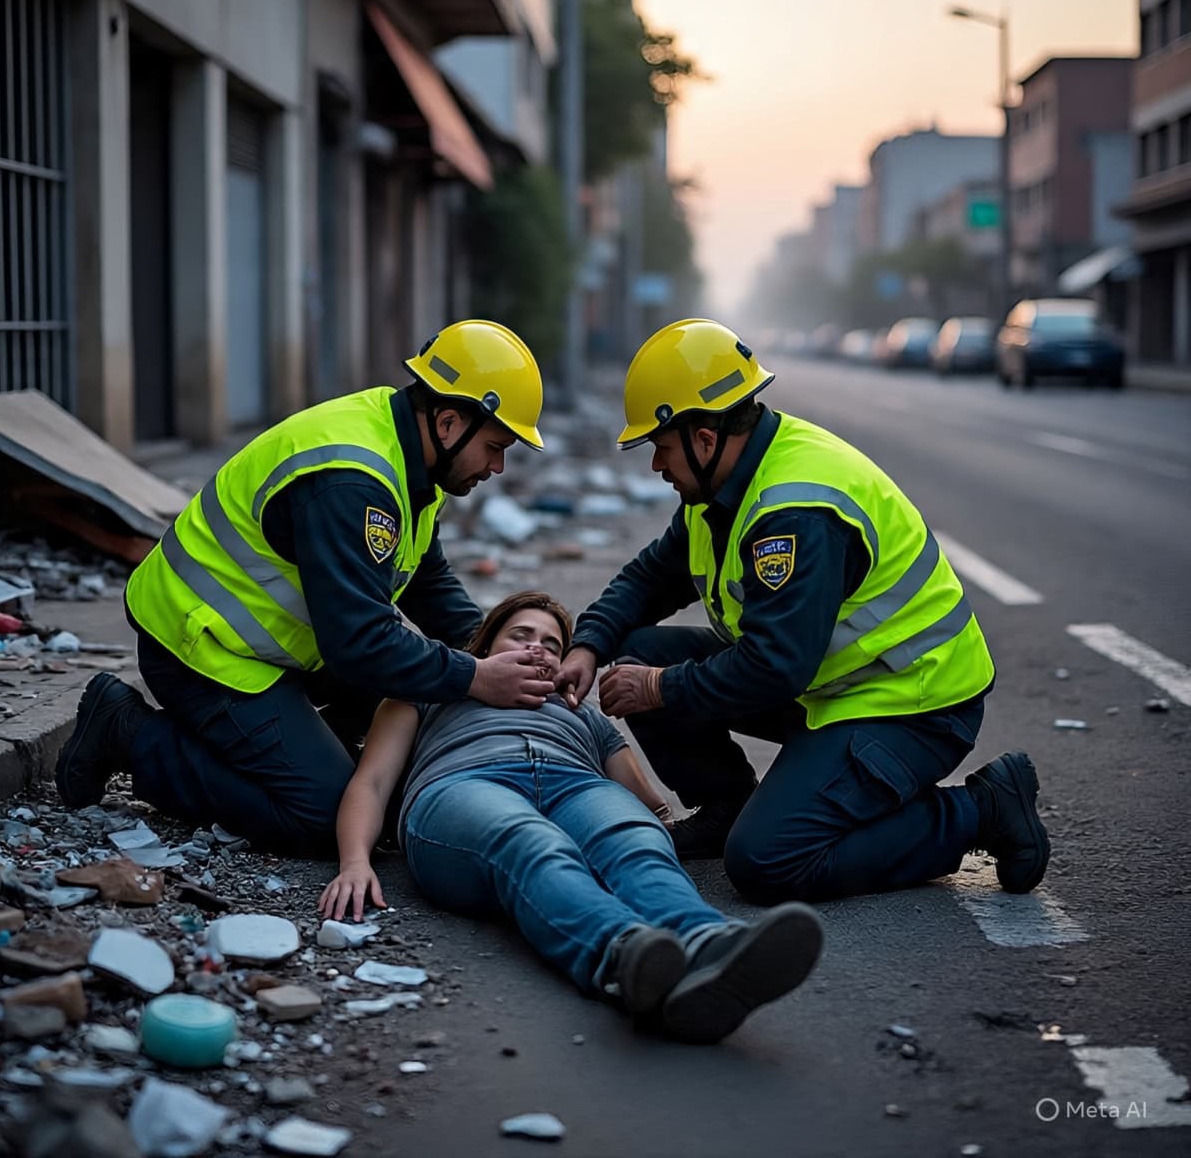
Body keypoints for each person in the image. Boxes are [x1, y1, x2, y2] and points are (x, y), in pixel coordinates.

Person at [555, 318, 1050, 905]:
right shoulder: (721, 487)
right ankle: (726, 808)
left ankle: (981, 810)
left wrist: (660, 688)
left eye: (660, 448)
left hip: (911, 705)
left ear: (704, 438)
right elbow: (651, 577)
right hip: (828, 687)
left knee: (768, 861)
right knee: (635, 650)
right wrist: (589, 644)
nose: (657, 466)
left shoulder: (794, 512)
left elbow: (773, 667)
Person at [56, 321, 556, 855]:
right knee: (326, 812)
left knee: (419, 715)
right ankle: (127, 733)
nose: (498, 466)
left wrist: (494, 649)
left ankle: (285, 747)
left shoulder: (411, 456)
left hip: (280, 644)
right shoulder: (353, 480)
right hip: (200, 646)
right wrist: (476, 675)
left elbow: (426, 580)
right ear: (450, 421)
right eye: (495, 446)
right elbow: (362, 642)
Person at [320, 590, 824, 1045]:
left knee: (633, 840)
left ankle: (707, 945)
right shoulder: (431, 686)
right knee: (532, 842)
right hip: (465, 788)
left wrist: (654, 816)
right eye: (520, 635)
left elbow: (647, 802)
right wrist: (354, 862)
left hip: (576, 785)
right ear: (485, 644)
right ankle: (623, 957)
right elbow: (373, 782)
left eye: (551, 643)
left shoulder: (579, 710)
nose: (538, 647)